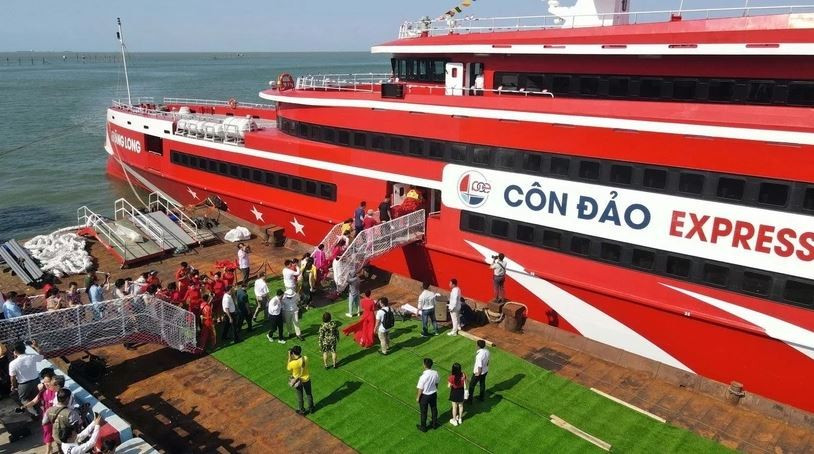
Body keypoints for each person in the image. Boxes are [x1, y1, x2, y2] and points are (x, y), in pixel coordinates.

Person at [9, 341, 44, 412]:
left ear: (15, 352)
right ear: (25, 349)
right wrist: (36, 347)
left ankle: (34, 412)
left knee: (24, 399)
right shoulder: (32, 357)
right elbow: (42, 356)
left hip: (24, 385)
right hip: (36, 381)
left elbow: (13, 378)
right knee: (37, 396)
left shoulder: (12, 363)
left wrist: (13, 386)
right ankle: (41, 410)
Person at [287, 345, 314, 415]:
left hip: (298, 381)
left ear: (293, 353)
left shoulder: (292, 363)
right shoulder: (305, 358)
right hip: (306, 379)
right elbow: (302, 360)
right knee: (309, 394)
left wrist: (289, 357)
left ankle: (302, 410)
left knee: (300, 397)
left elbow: (288, 368)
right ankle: (311, 408)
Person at [416, 357, 439, 432]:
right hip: (433, 394)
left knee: (424, 412)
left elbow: (420, 388)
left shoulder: (423, 377)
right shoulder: (435, 373)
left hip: (425, 396)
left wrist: (418, 397)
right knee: (434, 408)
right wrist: (435, 389)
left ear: (424, 365)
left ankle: (423, 427)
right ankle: (434, 424)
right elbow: (436, 383)